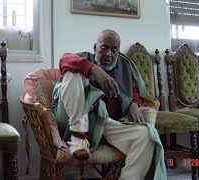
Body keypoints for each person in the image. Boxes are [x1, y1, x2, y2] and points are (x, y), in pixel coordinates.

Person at [51, 29, 167, 180]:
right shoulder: (83, 59)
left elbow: (132, 90)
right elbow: (64, 59)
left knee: (148, 135)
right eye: (104, 48)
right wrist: (94, 69)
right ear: (95, 47)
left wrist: (133, 103)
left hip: (107, 124)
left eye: (114, 50)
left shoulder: (124, 66)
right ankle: (78, 138)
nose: (109, 54)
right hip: (79, 121)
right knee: (72, 73)